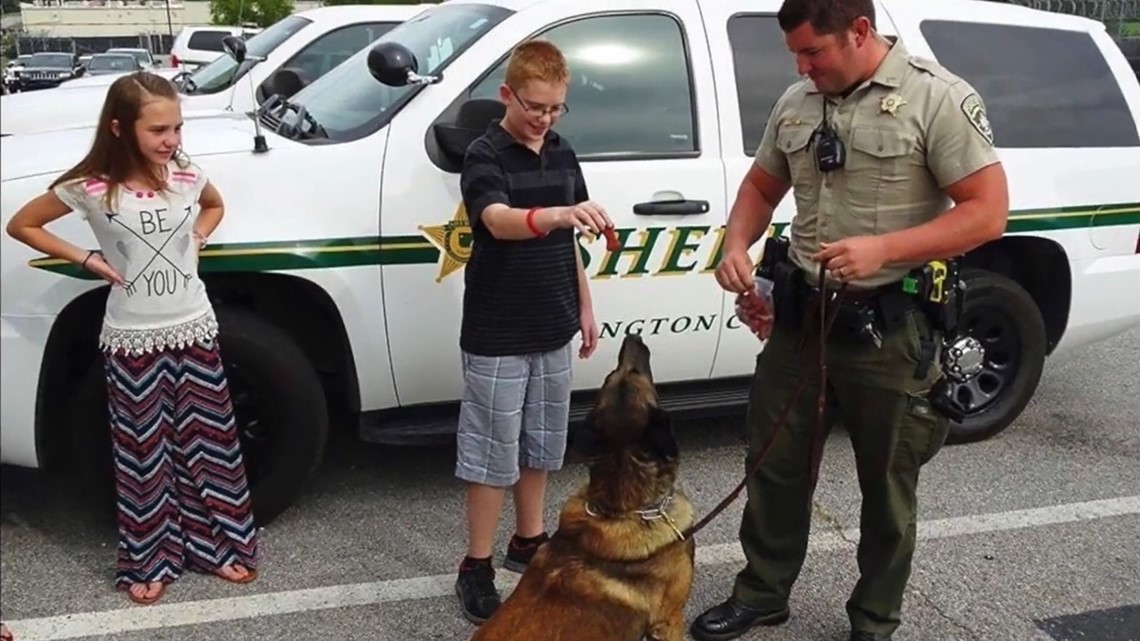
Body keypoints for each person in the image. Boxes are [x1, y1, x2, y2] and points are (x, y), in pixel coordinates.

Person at [692, 1, 1009, 640]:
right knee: (774, 466)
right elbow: (760, 186)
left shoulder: (935, 97)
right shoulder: (798, 101)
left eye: (814, 52)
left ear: (859, 31)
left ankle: (873, 619)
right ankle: (762, 592)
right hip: (800, 325)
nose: (803, 67)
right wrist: (736, 247)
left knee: (886, 485)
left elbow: (987, 212)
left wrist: (885, 248)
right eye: (796, 56)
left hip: (887, 330)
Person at [5, 72, 260, 605]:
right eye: (159, 130)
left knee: (211, 445)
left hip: (195, 325)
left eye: (178, 127)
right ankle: (151, 559)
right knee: (146, 454)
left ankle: (220, 547)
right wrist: (87, 259)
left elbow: (213, 205)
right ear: (120, 128)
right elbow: (22, 223)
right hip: (132, 339)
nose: (172, 140)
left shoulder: (186, 171)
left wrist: (198, 237)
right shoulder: (94, 185)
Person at [452, 39, 610, 624]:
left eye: (555, 108)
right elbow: (495, 221)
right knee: (492, 450)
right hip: (498, 329)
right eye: (534, 107)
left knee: (543, 442)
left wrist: (584, 306)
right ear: (507, 95)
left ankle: (529, 540)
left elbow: (571, 242)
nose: (544, 119)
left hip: (553, 322)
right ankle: (475, 563)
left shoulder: (563, 153)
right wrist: (555, 216)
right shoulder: (484, 153)